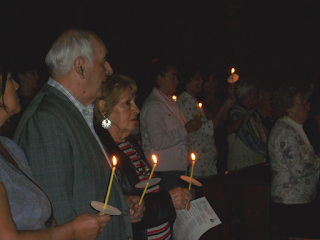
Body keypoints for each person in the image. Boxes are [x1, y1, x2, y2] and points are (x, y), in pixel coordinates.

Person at [13, 29, 141, 240]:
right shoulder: (47, 120)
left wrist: (119, 202)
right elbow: (57, 214)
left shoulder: (73, 111)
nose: (108, 70)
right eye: (103, 62)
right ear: (80, 67)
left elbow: (81, 186)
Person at [0, 58, 110, 239]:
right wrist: (72, 231)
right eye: (10, 79)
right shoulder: (44, 118)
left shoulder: (9, 146)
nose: (17, 86)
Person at [94, 74, 192, 239]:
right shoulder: (101, 152)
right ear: (104, 108)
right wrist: (168, 200)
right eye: (127, 103)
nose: (137, 109)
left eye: (134, 102)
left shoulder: (131, 144)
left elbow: (148, 195)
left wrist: (172, 207)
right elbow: (126, 208)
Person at [140, 60, 202, 191]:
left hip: (178, 170)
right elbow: (158, 142)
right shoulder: (154, 106)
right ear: (160, 79)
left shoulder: (169, 103)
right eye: (173, 76)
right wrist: (186, 129)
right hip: (165, 172)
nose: (177, 81)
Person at [269, 84, 320, 237]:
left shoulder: (294, 128)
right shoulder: (286, 132)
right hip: (291, 201)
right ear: (288, 108)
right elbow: (298, 170)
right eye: (302, 103)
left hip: (298, 199)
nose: (307, 105)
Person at [177, 67, 234, 177]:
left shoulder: (192, 101)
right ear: (187, 82)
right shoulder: (184, 103)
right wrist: (225, 106)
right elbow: (208, 128)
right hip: (198, 164)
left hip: (205, 163)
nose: (201, 81)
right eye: (197, 79)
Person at [227, 78, 268, 171]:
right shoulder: (237, 115)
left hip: (251, 166)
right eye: (256, 94)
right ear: (250, 94)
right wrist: (272, 154)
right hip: (242, 169)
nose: (258, 97)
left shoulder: (253, 113)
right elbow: (253, 142)